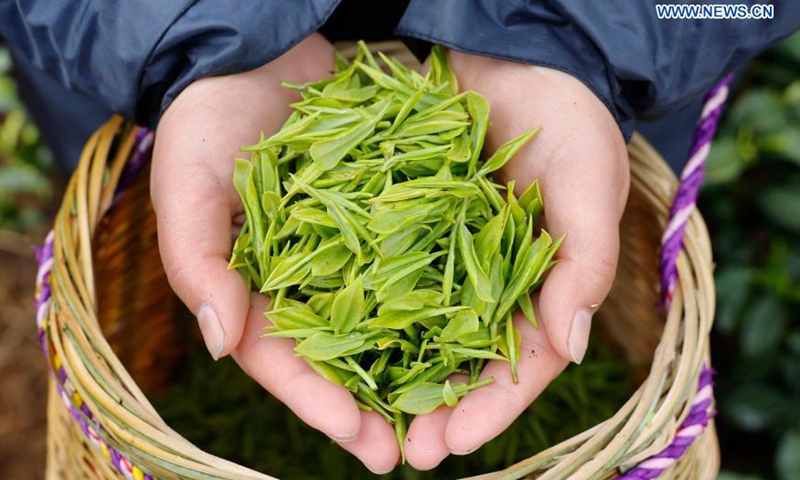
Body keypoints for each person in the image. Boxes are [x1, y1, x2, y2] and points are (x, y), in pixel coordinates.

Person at [2, 1, 799, 474]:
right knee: (153, 210)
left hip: (613, 64)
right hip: (134, 50)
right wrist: (184, 33)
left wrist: (585, 37)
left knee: (593, 202)